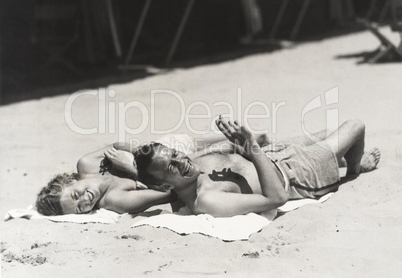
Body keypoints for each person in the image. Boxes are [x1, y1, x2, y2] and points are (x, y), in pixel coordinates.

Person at [135, 118, 381, 217]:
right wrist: (252, 146)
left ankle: (342, 157)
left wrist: (246, 141)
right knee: (354, 126)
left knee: (327, 133)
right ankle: (354, 170)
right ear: (166, 184)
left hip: (272, 154)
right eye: (172, 166)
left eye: (176, 155)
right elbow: (277, 198)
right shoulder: (208, 201)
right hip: (297, 172)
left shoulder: (190, 166)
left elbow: (228, 148)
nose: (182, 161)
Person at [35, 132, 273, 216]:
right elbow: (169, 193)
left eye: (75, 196)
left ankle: (236, 141)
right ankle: (236, 145)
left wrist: (137, 152)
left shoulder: (86, 163)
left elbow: (119, 144)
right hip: (160, 175)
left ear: (68, 181)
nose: (85, 202)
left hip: (151, 158)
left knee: (172, 142)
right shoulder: (117, 200)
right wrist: (133, 170)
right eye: (79, 209)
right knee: (185, 163)